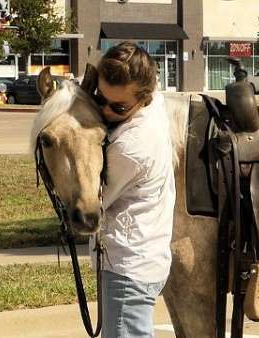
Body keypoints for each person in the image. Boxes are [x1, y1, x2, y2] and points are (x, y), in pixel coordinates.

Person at [89, 41, 175, 338]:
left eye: (119, 107)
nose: (106, 111)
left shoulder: (130, 146)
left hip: (128, 268)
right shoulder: (155, 105)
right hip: (144, 259)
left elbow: (93, 203)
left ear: (143, 97)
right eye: (100, 97)